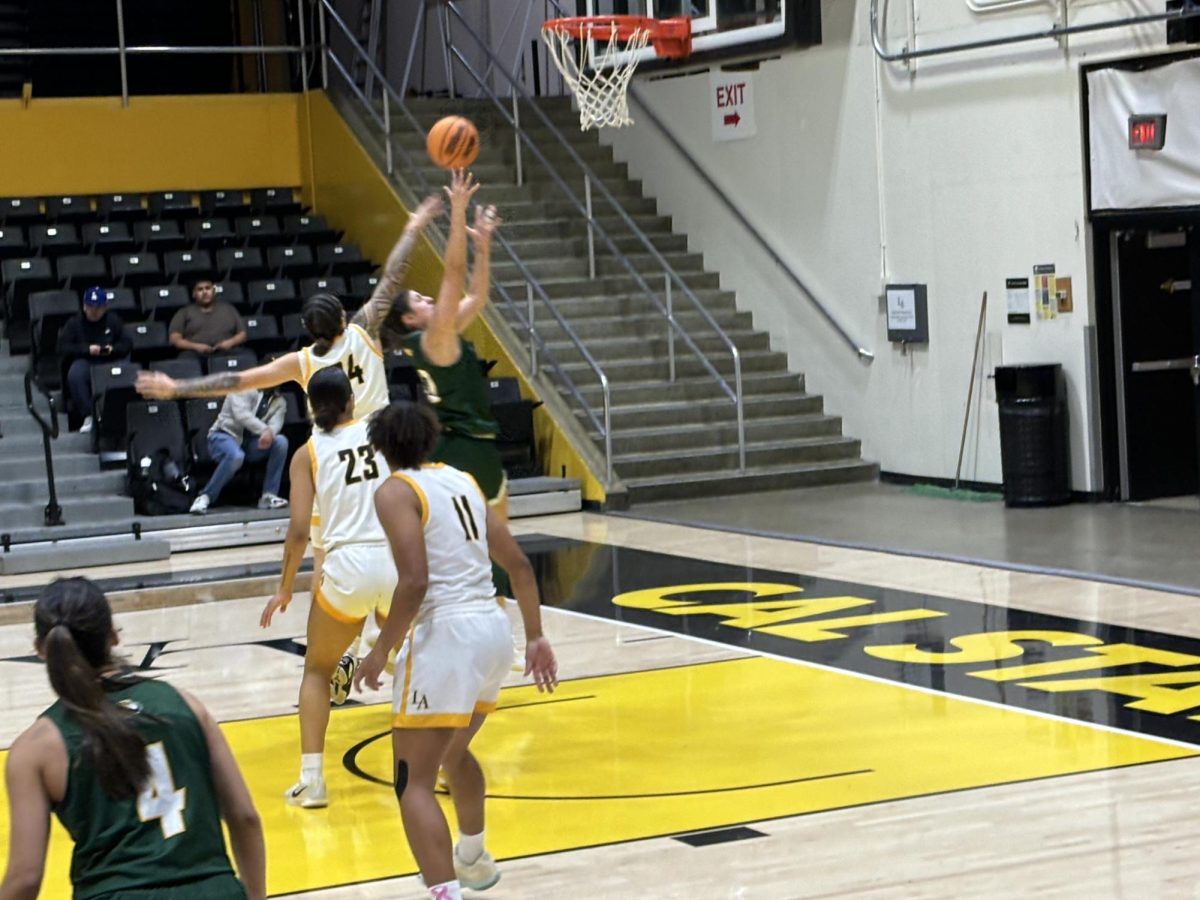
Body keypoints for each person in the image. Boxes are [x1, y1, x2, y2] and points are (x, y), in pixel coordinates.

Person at [354, 399, 558, 900]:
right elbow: (520, 567)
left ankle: (445, 894)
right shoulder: (463, 480)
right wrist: (535, 636)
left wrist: (381, 651)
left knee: (412, 782)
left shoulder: (395, 491)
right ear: (431, 437)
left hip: (447, 634)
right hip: (492, 630)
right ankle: (473, 857)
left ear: (380, 448)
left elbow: (415, 581)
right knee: (454, 750)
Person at [0, 577, 265, 900]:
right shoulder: (186, 705)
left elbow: (26, 878)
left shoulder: (36, 748)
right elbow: (245, 817)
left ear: (42, 650)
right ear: (112, 635)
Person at [258, 366, 395, 809]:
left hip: (346, 566)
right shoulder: (383, 434)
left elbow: (299, 531)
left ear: (310, 409)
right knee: (416, 666)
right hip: (395, 561)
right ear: (352, 400)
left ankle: (312, 782)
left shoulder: (307, 453)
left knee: (317, 672)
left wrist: (284, 588)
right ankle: (443, 766)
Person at [191, 387, 289, 515]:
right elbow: (241, 414)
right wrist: (265, 430)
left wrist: (269, 434)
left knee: (281, 442)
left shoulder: (280, 402)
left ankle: (269, 495)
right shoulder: (243, 387)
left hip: (250, 443)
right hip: (224, 435)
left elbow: (275, 425)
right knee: (236, 456)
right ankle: (205, 496)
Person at [58, 286, 131, 433]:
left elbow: (127, 343)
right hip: (86, 360)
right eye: (91, 307)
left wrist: (112, 349)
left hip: (110, 359)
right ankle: (89, 414)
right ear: (84, 306)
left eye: (98, 308)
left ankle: (121, 416)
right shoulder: (74, 323)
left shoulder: (113, 320)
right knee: (75, 375)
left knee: (126, 372)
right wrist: (86, 349)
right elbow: (63, 347)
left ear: (104, 307)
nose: (94, 311)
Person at [169, 277, 247, 358]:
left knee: (246, 355)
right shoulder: (183, 312)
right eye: (200, 289)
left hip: (227, 351)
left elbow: (242, 334)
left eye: (208, 288)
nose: (205, 292)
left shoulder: (229, 309)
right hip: (195, 353)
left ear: (214, 291)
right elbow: (174, 339)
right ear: (193, 294)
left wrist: (230, 343)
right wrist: (196, 346)